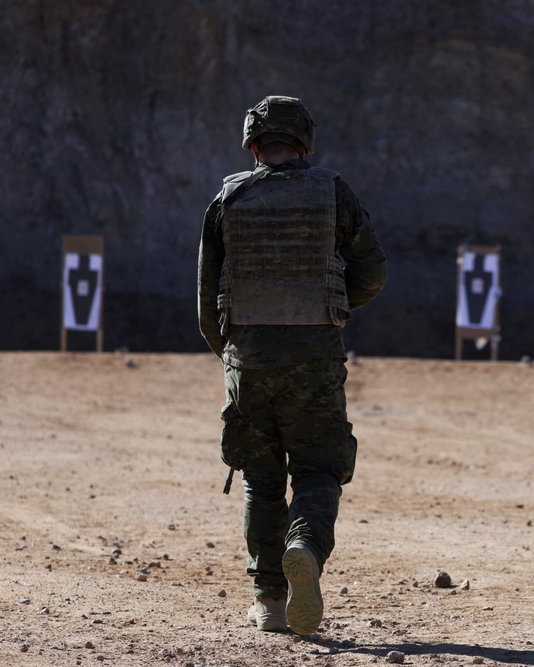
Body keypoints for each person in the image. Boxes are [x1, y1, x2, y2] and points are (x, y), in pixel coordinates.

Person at [197, 95, 387, 635]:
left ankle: (270, 603)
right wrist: (332, 308)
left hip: (248, 360)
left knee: (259, 479)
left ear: (253, 144)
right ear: (304, 143)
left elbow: (208, 298)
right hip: (314, 357)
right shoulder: (333, 192)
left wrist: (234, 357)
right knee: (319, 469)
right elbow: (372, 271)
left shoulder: (227, 199)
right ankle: (304, 546)